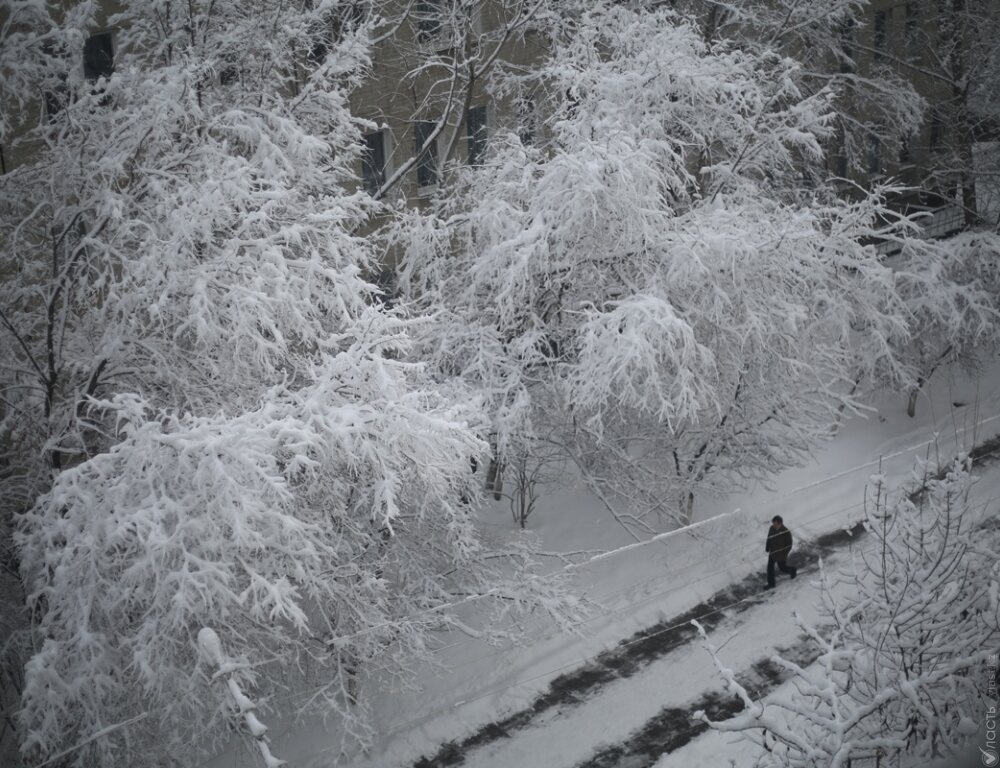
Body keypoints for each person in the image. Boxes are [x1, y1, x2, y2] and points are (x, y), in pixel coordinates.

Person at [765, 515, 797, 589]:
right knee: (770, 568)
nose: (774, 525)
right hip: (772, 552)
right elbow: (769, 538)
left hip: (781, 554)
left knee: (782, 568)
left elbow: (789, 545)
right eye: (773, 523)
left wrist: (783, 554)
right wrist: (767, 547)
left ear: (780, 524)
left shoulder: (786, 532)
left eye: (775, 524)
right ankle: (771, 584)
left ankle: (792, 570)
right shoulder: (771, 528)